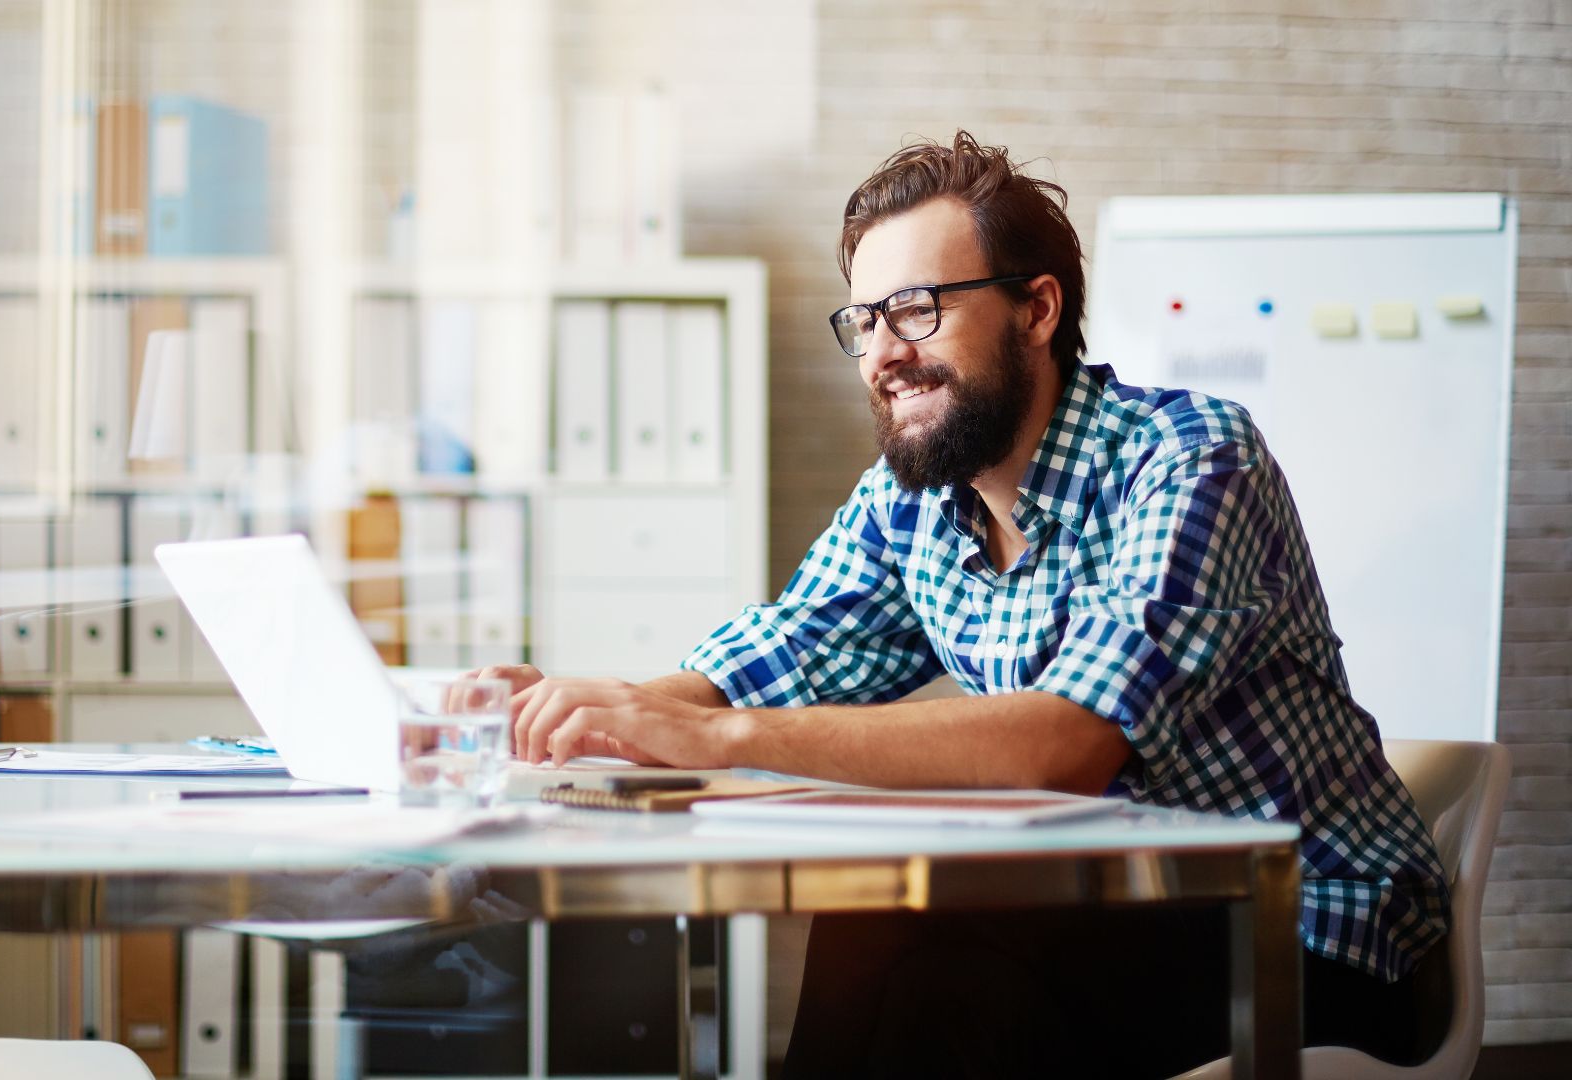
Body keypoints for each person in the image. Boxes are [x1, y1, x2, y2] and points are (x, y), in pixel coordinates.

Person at [472, 130, 1452, 1076]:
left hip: (1316, 936)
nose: (883, 353)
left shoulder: (1189, 457)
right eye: (864, 320)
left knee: (950, 969)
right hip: (1115, 913)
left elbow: (1069, 745)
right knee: (896, 937)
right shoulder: (915, 500)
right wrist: (595, 716)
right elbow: (768, 655)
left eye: (918, 309)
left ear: (1036, 308)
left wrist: (720, 740)